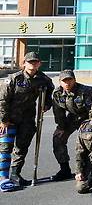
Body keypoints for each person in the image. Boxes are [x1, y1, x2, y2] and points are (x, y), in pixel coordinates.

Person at [0, 52, 54, 187]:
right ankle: (3, 177)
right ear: (24, 63)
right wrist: (3, 119)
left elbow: (50, 89)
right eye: (30, 62)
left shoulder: (43, 79)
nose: (33, 64)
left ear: (39, 64)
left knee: (21, 148)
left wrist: (46, 103)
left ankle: (14, 173)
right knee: (5, 148)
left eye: (35, 62)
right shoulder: (14, 78)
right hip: (9, 119)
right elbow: (2, 100)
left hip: (27, 119)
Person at [51, 70, 92, 182]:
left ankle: (89, 167)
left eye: (70, 80)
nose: (67, 83)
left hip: (87, 118)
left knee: (87, 139)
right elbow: (59, 112)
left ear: (74, 80)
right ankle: (64, 168)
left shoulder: (86, 91)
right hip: (72, 118)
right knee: (58, 138)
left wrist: (89, 126)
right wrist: (61, 127)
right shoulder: (57, 93)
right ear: (60, 82)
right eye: (64, 81)